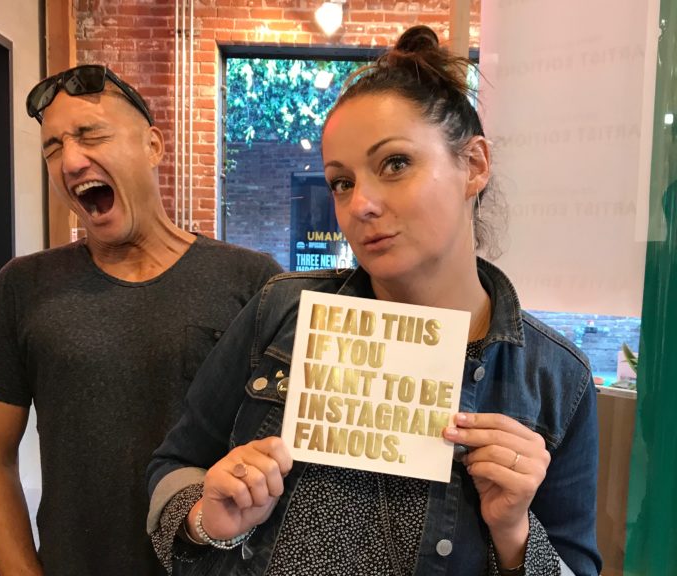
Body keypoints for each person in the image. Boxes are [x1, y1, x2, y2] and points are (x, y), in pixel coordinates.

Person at [146, 26, 601, 576]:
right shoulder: (281, 313)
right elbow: (175, 464)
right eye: (341, 182)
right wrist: (204, 518)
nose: (360, 204)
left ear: (475, 165)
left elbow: (577, 562)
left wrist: (514, 534)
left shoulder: (557, 379)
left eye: (395, 164)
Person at [0, 65, 282, 576]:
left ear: (153, 145)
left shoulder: (253, 281)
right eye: (53, 148)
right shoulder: (23, 287)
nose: (70, 161)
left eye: (90, 135)